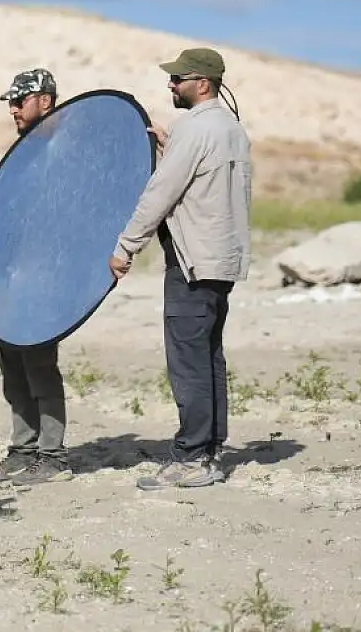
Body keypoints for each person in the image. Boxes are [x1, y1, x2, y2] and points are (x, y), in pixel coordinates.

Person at [110, 48, 252, 491]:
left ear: (203, 83)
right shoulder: (231, 128)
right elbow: (207, 179)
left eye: (178, 79)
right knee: (209, 357)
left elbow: (161, 193)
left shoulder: (194, 127)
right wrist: (174, 149)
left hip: (191, 263)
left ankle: (191, 458)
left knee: (188, 362)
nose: (171, 85)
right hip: (221, 260)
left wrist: (125, 246)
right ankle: (210, 451)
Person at [0, 69, 73, 487]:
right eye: (10, 102)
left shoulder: (67, 152)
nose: (12, 109)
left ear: (45, 101)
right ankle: (23, 447)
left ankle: (53, 454)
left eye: (20, 101)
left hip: (48, 275)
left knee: (40, 362)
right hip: (14, 275)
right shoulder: (22, 152)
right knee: (11, 360)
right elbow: (6, 214)